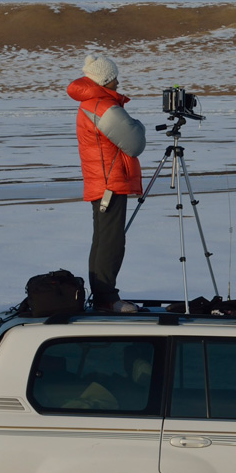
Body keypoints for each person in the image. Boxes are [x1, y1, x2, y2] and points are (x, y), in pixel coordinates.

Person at [68, 54, 146, 311]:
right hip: (110, 182)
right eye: (114, 77)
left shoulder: (93, 103)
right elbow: (134, 142)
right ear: (105, 79)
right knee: (111, 242)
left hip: (102, 181)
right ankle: (107, 299)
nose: (117, 81)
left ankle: (104, 296)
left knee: (103, 239)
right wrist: (139, 125)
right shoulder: (101, 106)